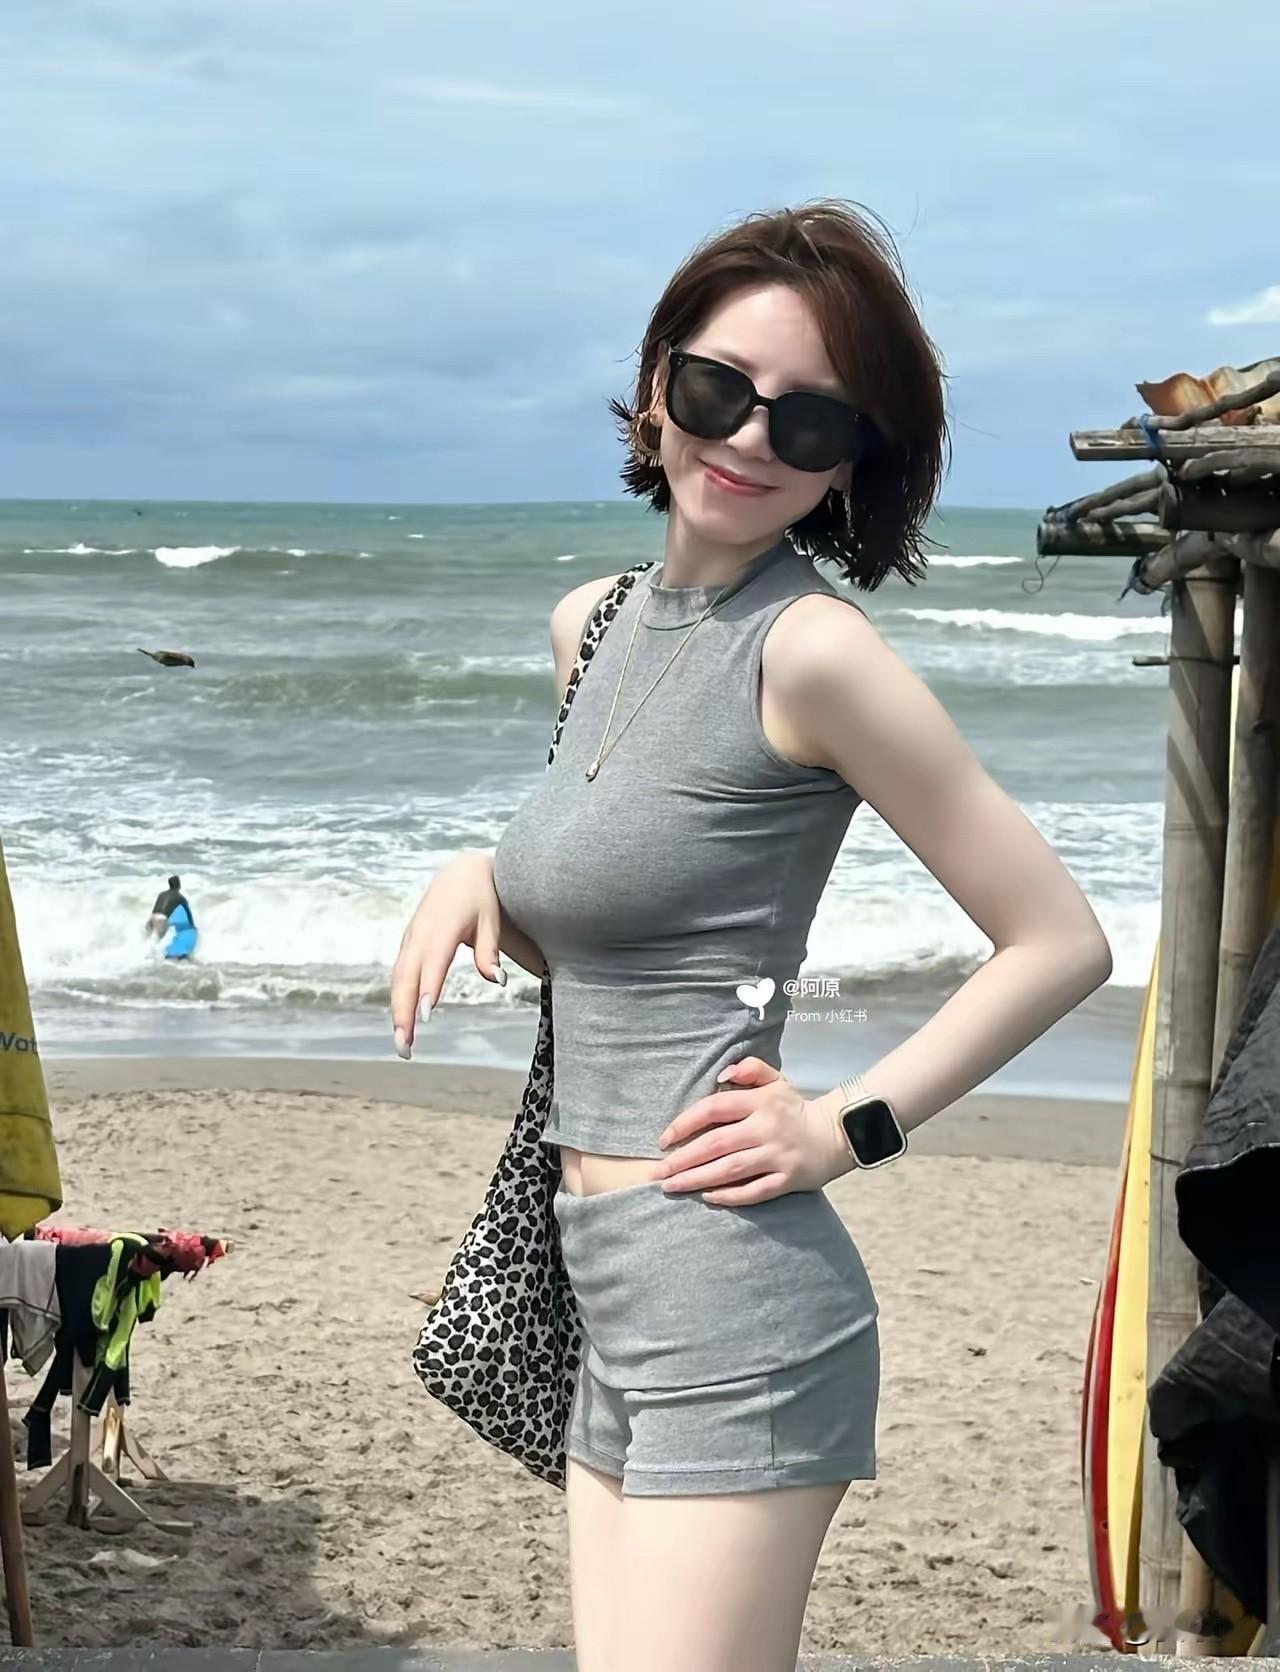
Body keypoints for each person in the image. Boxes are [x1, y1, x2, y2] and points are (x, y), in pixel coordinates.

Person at [389, 199, 1113, 1672]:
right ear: (658, 384)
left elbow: (1057, 941)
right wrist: (483, 872)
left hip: (737, 1306)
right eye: (721, 389)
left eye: (813, 419)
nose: (751, 440)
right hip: (601, 1280)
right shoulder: (592, 625)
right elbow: (629, 925)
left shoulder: (816, 651)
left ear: (854, 462)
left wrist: (848, 1127)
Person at [145, 874, 195, 940]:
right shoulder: (180, 897)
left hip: (152, 917)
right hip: (161, 920)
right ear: (178, 884)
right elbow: (188, 912)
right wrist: (192, 925)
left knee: (146, 939)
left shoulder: (161, 894)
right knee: (159, 941)